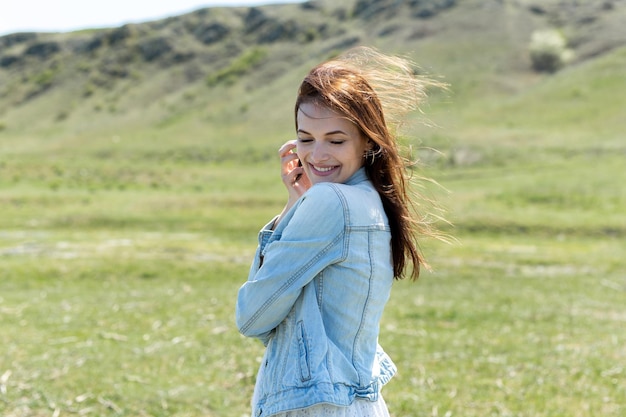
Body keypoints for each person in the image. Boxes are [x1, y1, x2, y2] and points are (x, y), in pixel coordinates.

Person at [236, 46, 445, 417]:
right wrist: (294, 203)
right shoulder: (368, 201)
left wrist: (299, 208)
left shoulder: (332, 203)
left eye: (335, 140)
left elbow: (253, 318)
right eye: (305, 138)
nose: (317, 156)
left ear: (367, 140)